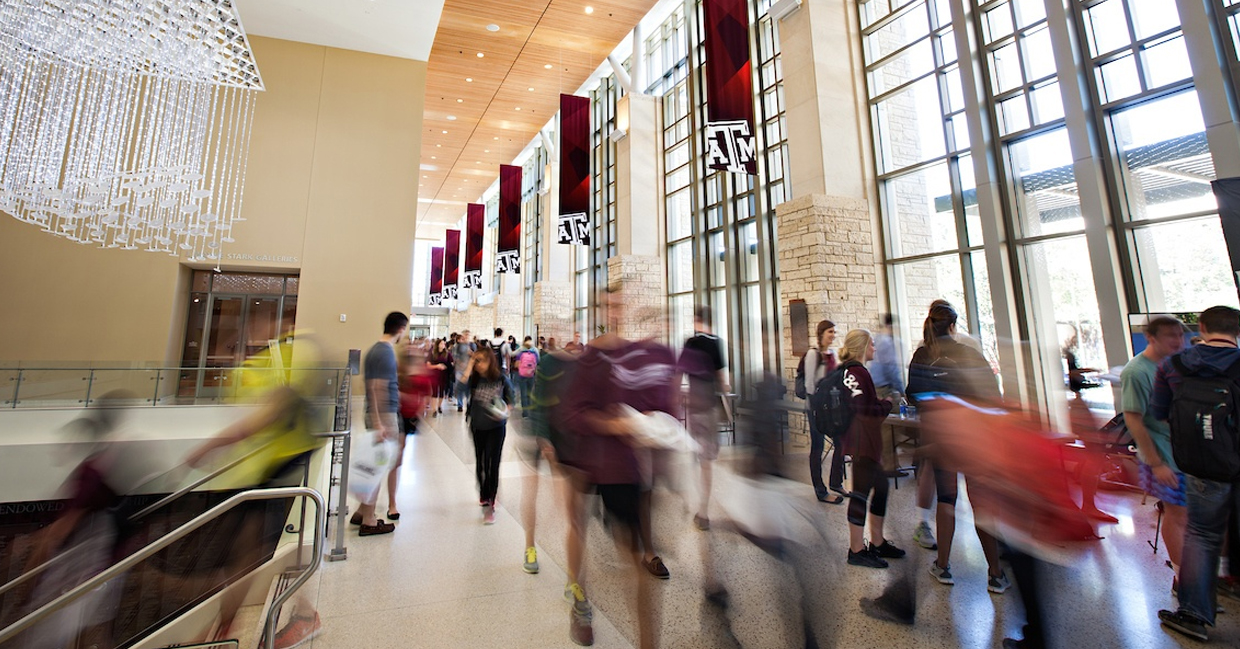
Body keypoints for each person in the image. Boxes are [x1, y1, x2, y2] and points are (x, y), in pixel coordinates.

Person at [560, 285, 677, 649]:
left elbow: (658, 404)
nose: (617, 311)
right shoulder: (591, 357)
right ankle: (578, 596)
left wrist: (653, 423)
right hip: (585, 456)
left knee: (632, 553)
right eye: (610, 305)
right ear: (600, 311)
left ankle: (647, 643)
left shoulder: (640, 354)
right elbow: (574, 413)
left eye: (622, 304)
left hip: (622, 466)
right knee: (577, 524)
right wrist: (613, 424)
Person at [1152, 306, 1240, 642]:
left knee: (1202, 534)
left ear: (1201, 327)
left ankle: (1194, 613)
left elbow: (1160, 413)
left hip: (1204, 465)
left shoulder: (1173, 365)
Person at [907, 301, 1008, 593]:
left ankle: (943, 565)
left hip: (941, 440)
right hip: (975, 440)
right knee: (981, 503)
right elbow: (993, 398)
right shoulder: (970, 356)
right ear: (953, 326)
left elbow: (914, 395)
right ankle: (996, 574)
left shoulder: (922, 357)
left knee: (947, 500)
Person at [1121, 316, 1187, 594]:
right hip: (1164, 455)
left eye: (1179, 335)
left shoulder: (1179, 363)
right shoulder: (1137, 372)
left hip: (1188, 453)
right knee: (1178, 515)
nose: (1177, 341)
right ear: (1152, 337)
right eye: (1170, 336)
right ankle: (1183, 580)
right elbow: (1134, 419)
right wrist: (1156, 462)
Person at [837, 329, 903, 569]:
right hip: (861, 442)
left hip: (864, 442)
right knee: (861, 493)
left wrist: (880, 404)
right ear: (863, 347)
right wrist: (886, 405)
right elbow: (864, 411)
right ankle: (856, 549)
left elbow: (863, 404)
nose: (875, 348)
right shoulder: (855, 372)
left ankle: (877, 541)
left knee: (881, 488)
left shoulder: (853, 372)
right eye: (872, 345)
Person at [519, 336, 576, 574]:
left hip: (562, 435)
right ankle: (529, 545)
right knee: (531, 493)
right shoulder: (549, 362)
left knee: (569, 504)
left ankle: (573, 570)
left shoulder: (584, 366)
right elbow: (540, 403)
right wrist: (544, 441)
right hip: (537, 433)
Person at [349, 311, 406, 536]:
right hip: (384, 414)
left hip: (377, 413)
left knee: (375, 462)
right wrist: (379, 422)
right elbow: (377, 387)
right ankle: (370, 520)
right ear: (400, 329)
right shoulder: (386, 353)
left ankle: (362, 511)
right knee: (377, 465)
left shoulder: (374, 349)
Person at [679, 305, 728, 530]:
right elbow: (722, 380)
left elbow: (678, 373)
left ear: (696, 320)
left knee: (698, 456)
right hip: (708, 408)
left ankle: (694, 503)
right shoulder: (716, 343)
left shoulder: (690, 343)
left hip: (694, 407)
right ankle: (703, 511)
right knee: (706, 462)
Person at [465, 346, 514, 525]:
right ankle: (484, 493)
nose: (478, 364)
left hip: (496, 428)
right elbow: (458, 388)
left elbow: (511, 401)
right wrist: (469, 366)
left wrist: (503, 412)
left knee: (493, 464)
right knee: (481, 463)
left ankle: (491, 503)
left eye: (481, 361)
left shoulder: (501, 378)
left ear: (490, 361)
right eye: (476, 361)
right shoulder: (474, 378)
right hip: (477, 426)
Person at [797, 319, 844, 503]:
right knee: (817, 447)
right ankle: (820, 490)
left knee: (840, 443)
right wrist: (818, 404)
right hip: (816, 408)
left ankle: (835, 481)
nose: (833, 335)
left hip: (831, 408)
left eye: (834, 332)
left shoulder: (833, 354)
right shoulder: (813, 354)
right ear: (821, 333)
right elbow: (809, 384)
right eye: (830, 332)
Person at [513, 336, 540, 418]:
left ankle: (525, 413)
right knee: (529, 393)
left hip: (522, 375)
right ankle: (529, 409)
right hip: (531, 374)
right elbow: (538, 361)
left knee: (523, 393)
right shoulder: (535, 352)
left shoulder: (521, 352)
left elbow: (516, 364)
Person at [426, 338, 453, 417]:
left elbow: (451, 364)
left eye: (444, 344)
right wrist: (437, 366)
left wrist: (449, 367)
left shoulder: (447, 354)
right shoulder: (432, 353)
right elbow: (428, 365)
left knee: (442, 391)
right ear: (437, 345)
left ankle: (439, 406)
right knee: (434, 392)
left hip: (444, 375)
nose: (443, 345)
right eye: (441, 343)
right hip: (434, 375)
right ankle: (434, 409)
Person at [451, 330, 476, 412]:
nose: (466, 337)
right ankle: (460, 404)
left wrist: (471, 353)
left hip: (469, 370)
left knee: (468, 388)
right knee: (459, 387)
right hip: (460, 369)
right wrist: (458, 362)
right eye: (465, 335)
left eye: (468, 335)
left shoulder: (472, 345)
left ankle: (468, 404)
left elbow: (476, 356)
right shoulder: (457, 346)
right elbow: (454, 356)